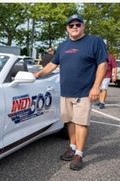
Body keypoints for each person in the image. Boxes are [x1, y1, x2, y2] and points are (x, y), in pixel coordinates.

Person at [34, 14, 107, 171]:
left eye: (78, 24)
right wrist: (36, 75)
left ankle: (79, 154)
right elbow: (52, 65)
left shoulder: (95, 42)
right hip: (65, 92)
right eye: (71, 25)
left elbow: (102, 64)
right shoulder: (63, 45)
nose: (75, 27)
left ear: (83, 26)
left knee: (81, 122)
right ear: (67, 28)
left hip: (84, 92)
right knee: (70, 121)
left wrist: (96, 87)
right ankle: (72, 146)